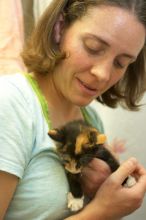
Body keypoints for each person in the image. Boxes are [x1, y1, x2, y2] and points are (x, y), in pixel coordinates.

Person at [0, 0, 146, 219]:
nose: (103, 74)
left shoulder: (91, 120)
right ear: (60, 28)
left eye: (121, 63)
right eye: (93, 48)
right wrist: (101, 210)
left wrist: (105, 192)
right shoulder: (10, 104)